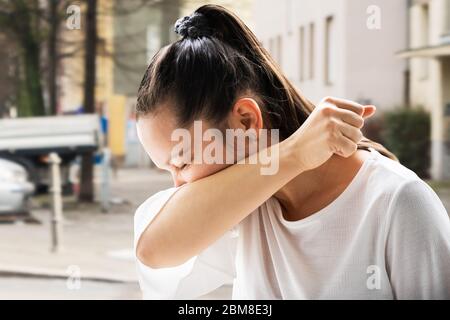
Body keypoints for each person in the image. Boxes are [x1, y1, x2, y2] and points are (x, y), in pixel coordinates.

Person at [133, 5, 450, 299]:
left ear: (246, 121)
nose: (178, 185)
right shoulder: (243, 206)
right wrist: (295, 153)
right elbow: (153, 250)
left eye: (183, 161)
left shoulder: (397, 202)